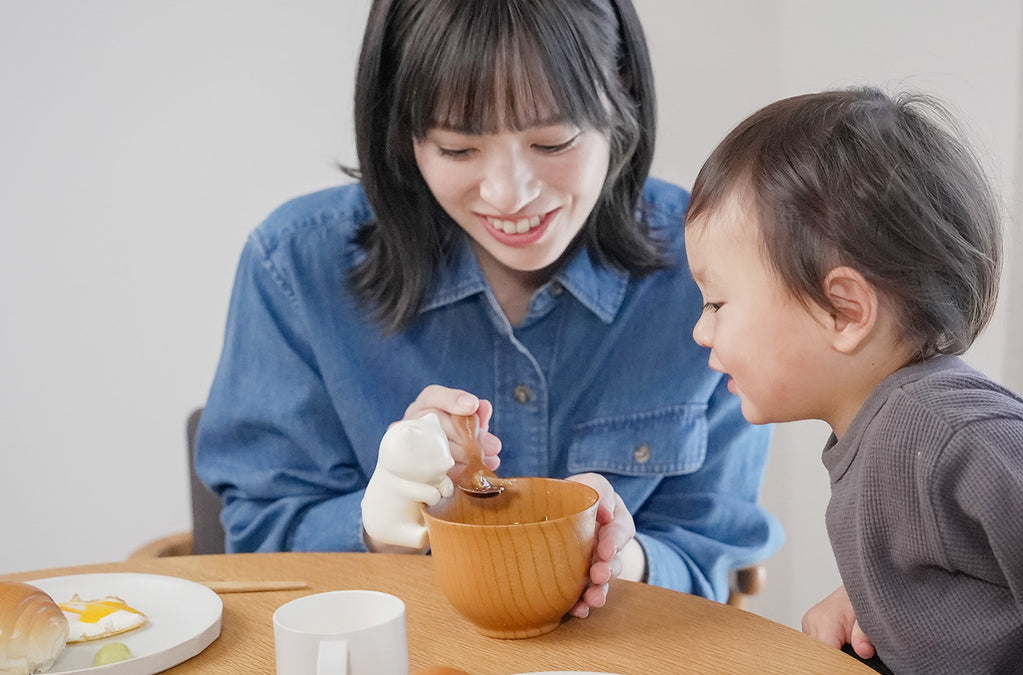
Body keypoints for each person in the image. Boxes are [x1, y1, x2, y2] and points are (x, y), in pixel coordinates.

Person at [194, 0, 782, 618]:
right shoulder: (295, 266)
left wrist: (618, 556)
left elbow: (709, 556)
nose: (510, 195)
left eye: (552, 141)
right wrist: (380, 522)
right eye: (457, 149)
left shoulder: (707, 267)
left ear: (622, 94)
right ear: (403, 128)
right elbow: (258, 543)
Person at [682, 87, 1023, 672]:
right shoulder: (892, 430)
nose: (701, 331)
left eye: (716, 303)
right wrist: (878, 601)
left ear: (844, 310)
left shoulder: (947, 432)